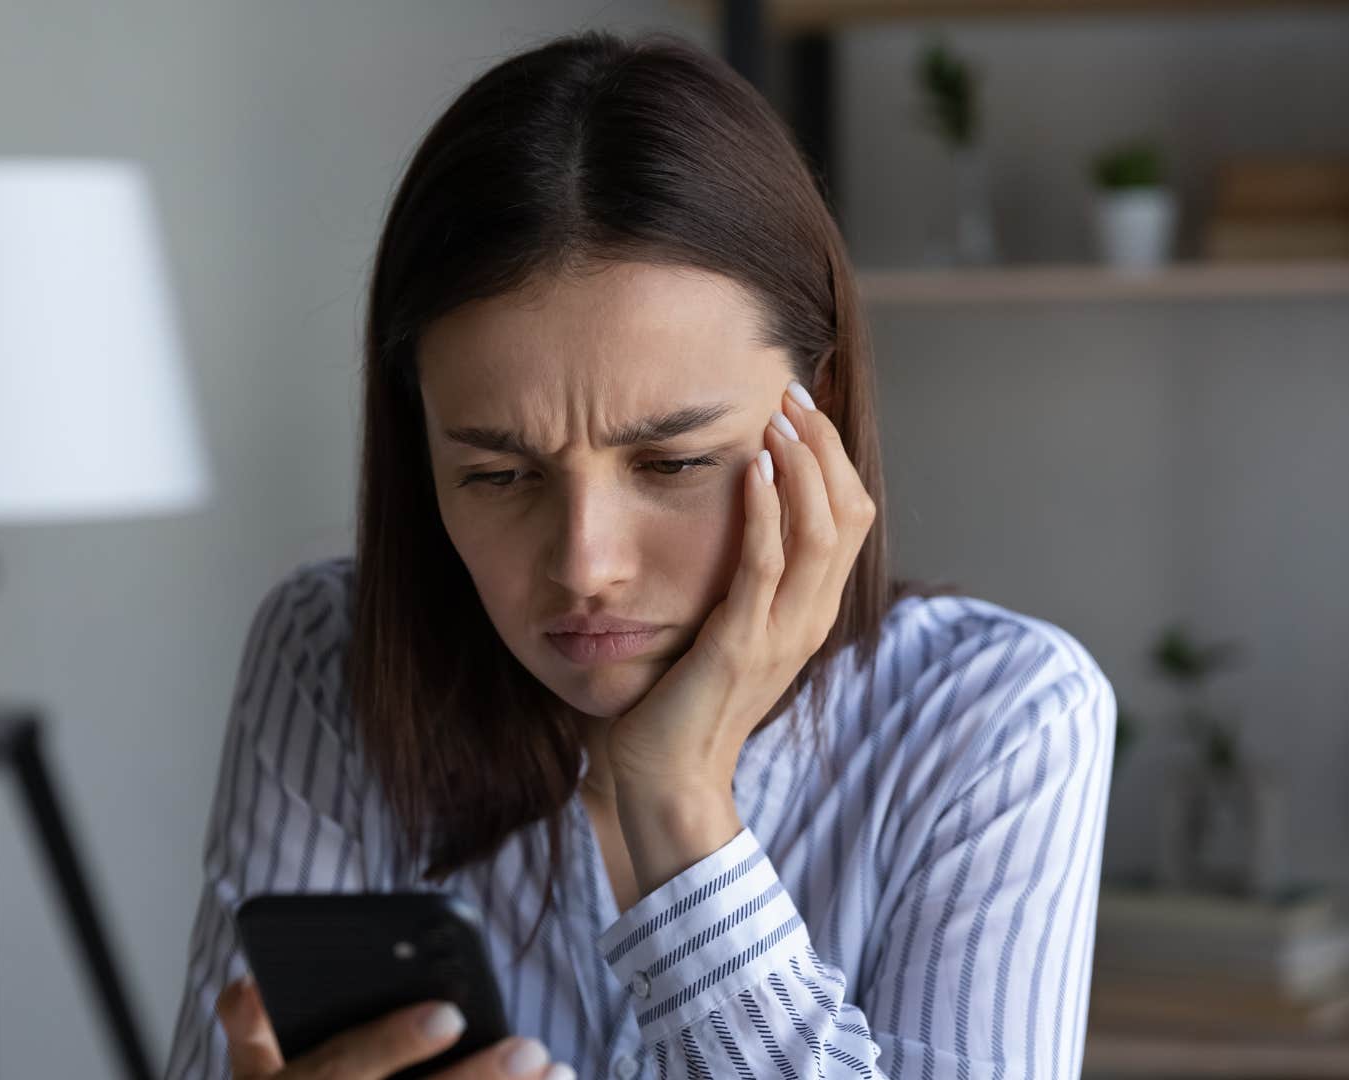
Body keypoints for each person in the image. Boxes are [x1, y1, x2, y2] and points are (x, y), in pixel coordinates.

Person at [165, 27, 1115, 1080]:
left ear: (822, 412)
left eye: (672, 464)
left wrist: (680, 803)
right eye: (496, 475)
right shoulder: (327, 661)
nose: (587, 565)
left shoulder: (997, 718)